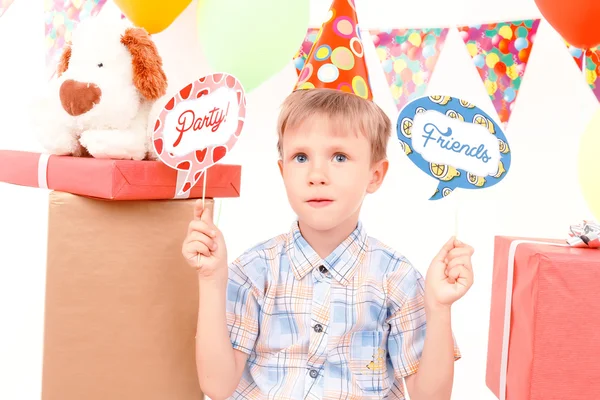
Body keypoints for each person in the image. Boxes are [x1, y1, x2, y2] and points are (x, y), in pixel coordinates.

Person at [182, 2, 473, 399]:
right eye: (301, 157)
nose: (317, 174)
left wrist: (439, 308)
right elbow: (217, 386)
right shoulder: (253, 272)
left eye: (339, 157)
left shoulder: (397, 279)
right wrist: (212, 282)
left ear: (375, 175)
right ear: (283, 171)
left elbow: (429, 396)